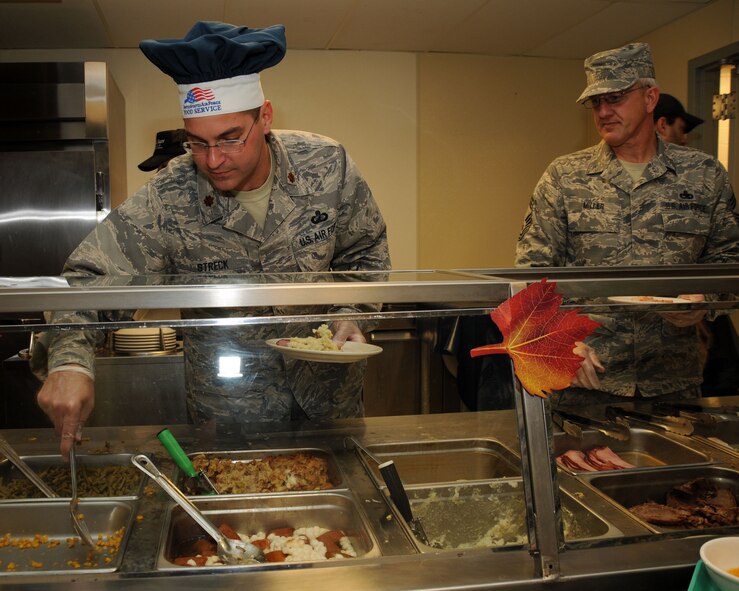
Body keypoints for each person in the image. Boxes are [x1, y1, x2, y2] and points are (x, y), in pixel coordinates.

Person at [36, 21, 391, 456]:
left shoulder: (327, 165)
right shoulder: (171, 195)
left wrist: (352, 315)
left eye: (229, 138)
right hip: (230, 414)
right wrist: (70, 361)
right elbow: (89, 278)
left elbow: (366, 253)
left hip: (330, 402)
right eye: (197, 143)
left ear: (264, 117)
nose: (214, 160)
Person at [515, 42, 739, 409]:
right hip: (584, 381)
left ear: (650, 98)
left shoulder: (704, 175)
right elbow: (531, 274)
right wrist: (557, 340)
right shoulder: (565, 176)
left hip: (673, 380)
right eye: (595, 103)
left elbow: (729, 261)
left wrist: (706, 302)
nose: (603, 111)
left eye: (616, 98)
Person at [653, 93, 739, 396]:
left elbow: (729, 256)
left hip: (683, 359)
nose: (686, 138)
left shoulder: (707, 176)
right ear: (663, 125)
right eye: (682, 128)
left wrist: (706, 295)